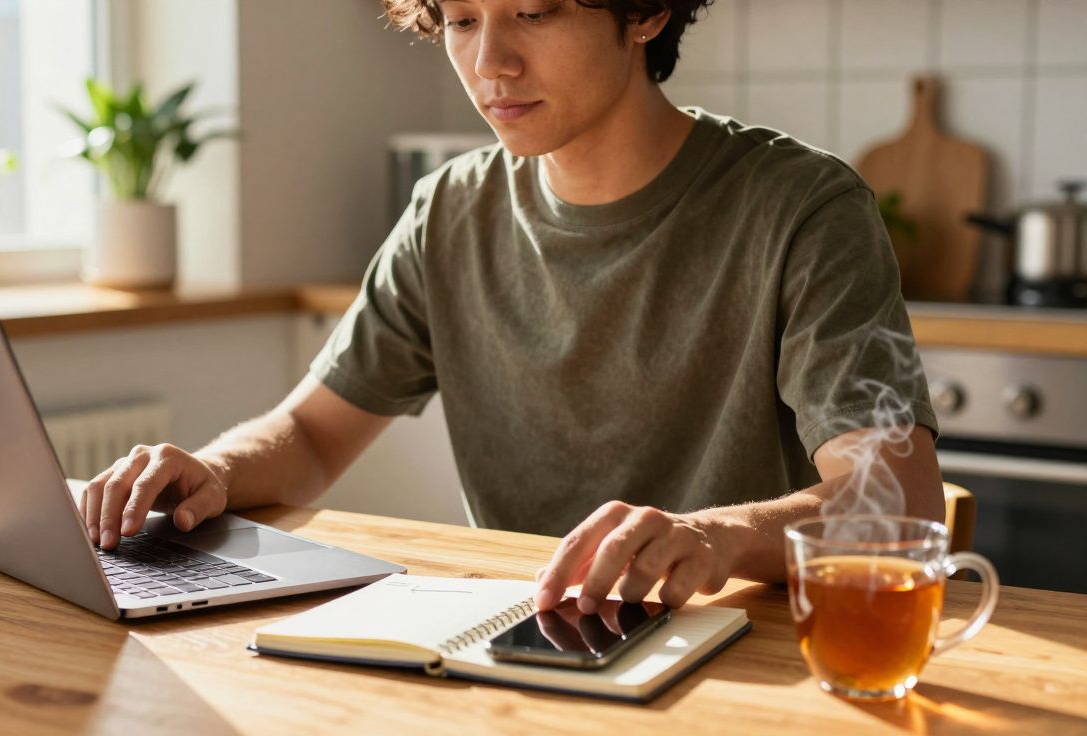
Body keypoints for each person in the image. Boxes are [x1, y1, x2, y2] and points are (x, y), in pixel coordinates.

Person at [80, 0, 943, 614]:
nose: (491, 62)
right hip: (523, 641)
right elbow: (308, 437)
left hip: (743, 652)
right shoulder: (449, 211)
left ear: (645, 13)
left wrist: (716, 536)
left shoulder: (805, 208)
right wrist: (214, 472)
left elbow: (899, 503)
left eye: (533, 12)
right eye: (461, 19)